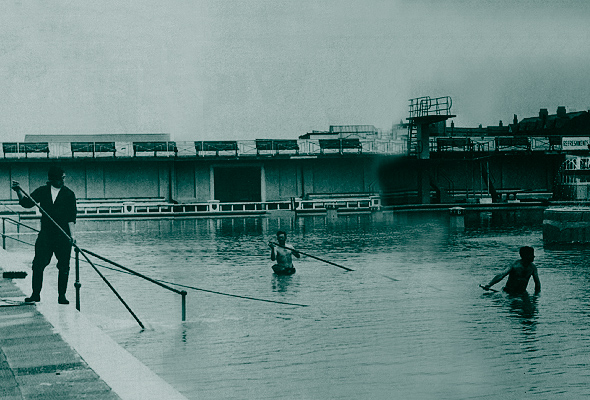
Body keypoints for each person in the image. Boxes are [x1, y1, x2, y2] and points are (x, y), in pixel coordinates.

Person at [11, 165, 77, 304]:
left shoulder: (69, 194)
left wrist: (73, 236)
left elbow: (71, 217)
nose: (63, 180)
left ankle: (62, 296)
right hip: (46, 235)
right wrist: (18, 191)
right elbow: (26, 203)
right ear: (53, 179)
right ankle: (35, 294)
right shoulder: (43, 191)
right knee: (38, 264)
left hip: (63, 235)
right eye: (61, 178)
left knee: (64, 265)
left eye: (64, 177)